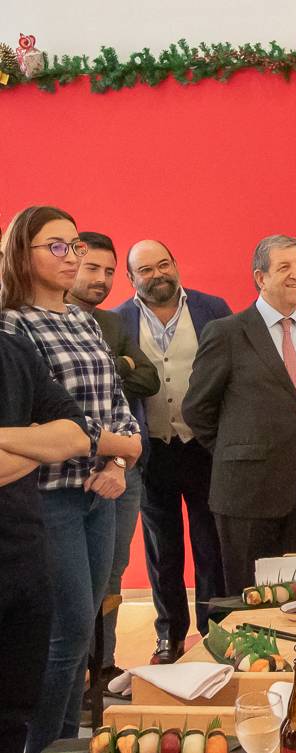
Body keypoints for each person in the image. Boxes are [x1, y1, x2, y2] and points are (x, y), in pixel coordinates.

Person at [0, 205, 142, 752]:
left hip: (101, 492)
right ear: (23, 253)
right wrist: (107, 443)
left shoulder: (83, 318)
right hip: (47, 497)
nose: (72, 257)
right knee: (68, 630)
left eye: (75, 245)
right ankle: (44, 742)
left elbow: (113, 404)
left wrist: (118, 461)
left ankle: (62, 739)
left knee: (82, 632)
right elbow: (35, 426)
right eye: (56, 246)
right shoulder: (13, 324)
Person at [183, 234, 296, 593]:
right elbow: (196, 408)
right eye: (284, 267)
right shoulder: (227, 333)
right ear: (260, 277)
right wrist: (238, 451)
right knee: (252, 601)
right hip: (247, 495)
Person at [116, 238, 232, 664]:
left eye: (163, 264)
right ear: (131, 278)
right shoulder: (116, 322)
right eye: (145, 269)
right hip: (152, 451)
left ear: (176, 265)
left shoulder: (212, 309)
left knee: (210, 543)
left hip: (203, 447)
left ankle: (215, 628)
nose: (157, 274)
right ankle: (169, 635)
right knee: (162, 550)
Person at [66, 231, 159, 683]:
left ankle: (102, 668)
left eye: (108, 271)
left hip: (122, 469)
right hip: (66, 474)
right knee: (72, 582)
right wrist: (115, 364)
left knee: (112, 573)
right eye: (92, 269)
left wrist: (115, 366)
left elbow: (149, 378)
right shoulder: (32, 323)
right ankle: (73, 675)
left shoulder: (113, 323)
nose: (101, 280)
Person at [0, 331, 90, 753]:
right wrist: (36, 442)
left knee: (14, 716)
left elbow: (75, 436)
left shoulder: (13, 349)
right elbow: (56, 443)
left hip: (24, 563)